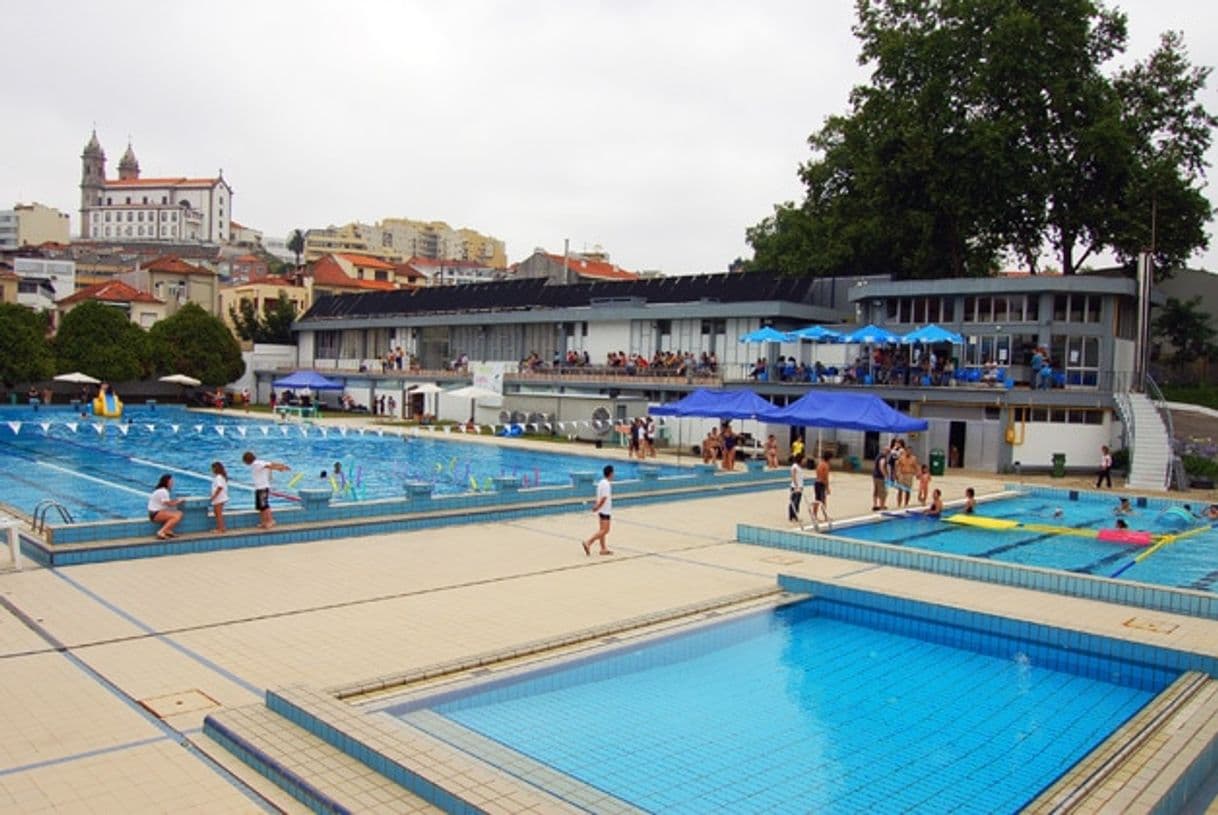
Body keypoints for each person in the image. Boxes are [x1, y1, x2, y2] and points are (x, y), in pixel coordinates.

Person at [242, 450, 291, 529]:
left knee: (264, 506)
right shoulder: (259, 462)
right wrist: (281, 466)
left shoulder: (256, 464)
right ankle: (264, 522)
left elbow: (270, 466)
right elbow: (271, 464)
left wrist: (280, 467)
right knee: (261, 507)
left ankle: (270, 521)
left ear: (247, 460)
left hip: (262, 487)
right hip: (259, 487)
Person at [583, 465, 614, 556]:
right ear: (611, 473)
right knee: (605, 530)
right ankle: (588, 542)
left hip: (601, 510)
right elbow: (604, 498)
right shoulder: (606, 484)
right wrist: (597, 506)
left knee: (602, 530)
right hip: (605, 510)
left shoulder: (601, 482)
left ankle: (603, 548)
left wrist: (597, 507)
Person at [148, 474, 183, 540]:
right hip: (155, 514)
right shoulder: (163, 491)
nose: (172, 483)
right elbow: (168, 504)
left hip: (155, 512)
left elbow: (167, 502)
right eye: (171, 481)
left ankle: (167, 531)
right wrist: (179, 501)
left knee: (179, 513)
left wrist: (176, 501)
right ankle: (161, 532)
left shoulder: (162, 490)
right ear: (166, 482)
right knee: (176, 516)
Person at [811, 455, 832, 529]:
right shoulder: (826, 466)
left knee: (818, 500)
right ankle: (825, 516)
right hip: (821, 484)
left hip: (817, 483)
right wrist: (827, 487)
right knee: (823, 501)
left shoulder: (819, 464)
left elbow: (817, 474)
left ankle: (815, 515)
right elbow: (825, 477)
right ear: (829, 459)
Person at [209, 461, 230, 534]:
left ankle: (221, 528)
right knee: (217, 513)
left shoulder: (218, 477)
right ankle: (220, 527)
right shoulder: (221, 477)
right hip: (220, 497)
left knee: (218, 514)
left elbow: (219, 487)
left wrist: (214, 496)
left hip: (219, 498)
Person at [788, 457, 805, 523]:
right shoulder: (795, 466)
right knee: (794, 502)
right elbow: (793, 476)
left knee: (797, 502)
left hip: (799, 487)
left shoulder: (799, 466)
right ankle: (792, 516)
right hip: (795, 487)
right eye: (803, 459)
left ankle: (794, 516)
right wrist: (796, 486)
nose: (804, 460)